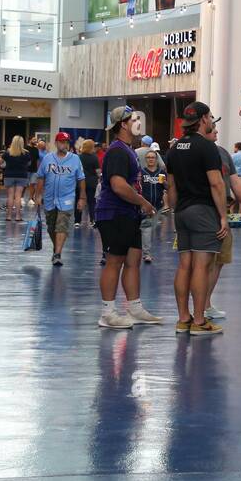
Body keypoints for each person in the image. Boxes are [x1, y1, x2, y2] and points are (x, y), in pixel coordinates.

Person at [161, 101, 228, 334]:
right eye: (210, 116)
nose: (211, 120)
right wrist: (223, 216)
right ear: (202, 120)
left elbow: (171, 186)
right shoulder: (207, 147)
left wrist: (176, 211)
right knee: (202, 266)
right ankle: (199, 321)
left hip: (182, 212)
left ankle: (183, 319)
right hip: (203, 211)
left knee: (184, 265)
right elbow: (216, 183)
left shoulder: (174, 149)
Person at [94, 105, 162, 330]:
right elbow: (118, 185)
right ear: (122, 124)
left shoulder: (129, 150)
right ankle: (108, 313)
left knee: (133, 260)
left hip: (129, 214)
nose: (137, 122)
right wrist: (143, 202)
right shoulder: (117, 151)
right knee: (115, 260)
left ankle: (134, 307)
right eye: (132, 119)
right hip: (114, 214)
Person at [202, 122, 241, 320]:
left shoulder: (223, 153)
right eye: (212, 128)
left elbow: (234, 181)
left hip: (223, 214)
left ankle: (206, 304)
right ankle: (197, 308)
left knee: (219, 260)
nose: (216, 131)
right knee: (202, 262)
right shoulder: (196, 152)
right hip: (204, 214)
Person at [37, 132, 86, 267]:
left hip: (67, 198)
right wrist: (38, 195)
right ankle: (56, 248)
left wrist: (82, 197)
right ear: (56, 143)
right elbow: (41, 177)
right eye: (61, 142)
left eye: (66, 142)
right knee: (51, 226)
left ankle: (57, 254)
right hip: (49, 198)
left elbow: (81, 178)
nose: (64, 144)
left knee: (62, 225)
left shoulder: (75, 159)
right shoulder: (47, 158)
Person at [139, 149, 164, 264]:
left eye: (152, 157)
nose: (150, 159)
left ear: (156, 159)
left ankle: (143, 249)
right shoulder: (142, 173)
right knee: (147, 229)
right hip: (145, 205)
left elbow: (167, 187)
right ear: (145, 160)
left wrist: (164, 183)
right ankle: (146, 253)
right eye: (148, 157)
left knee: (149, 229)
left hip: (157, 205)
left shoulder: (161, 173)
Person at [0, 136, 30, 222]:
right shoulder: (26, 153)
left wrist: (3, 167)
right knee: (18, 196)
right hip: (22, 175)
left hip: (9, 175)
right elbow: (29, 163)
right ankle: (17, 216)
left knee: (10, 196)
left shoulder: (8, 152)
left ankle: (8, 216)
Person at [76, 138, 99, 227]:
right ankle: (92, 220)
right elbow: (98, 171)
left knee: (79, 200)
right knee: (91, 202)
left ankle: (77, 221)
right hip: (91, 182)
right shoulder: (94, 157)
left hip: (80, 182)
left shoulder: (78, 157)